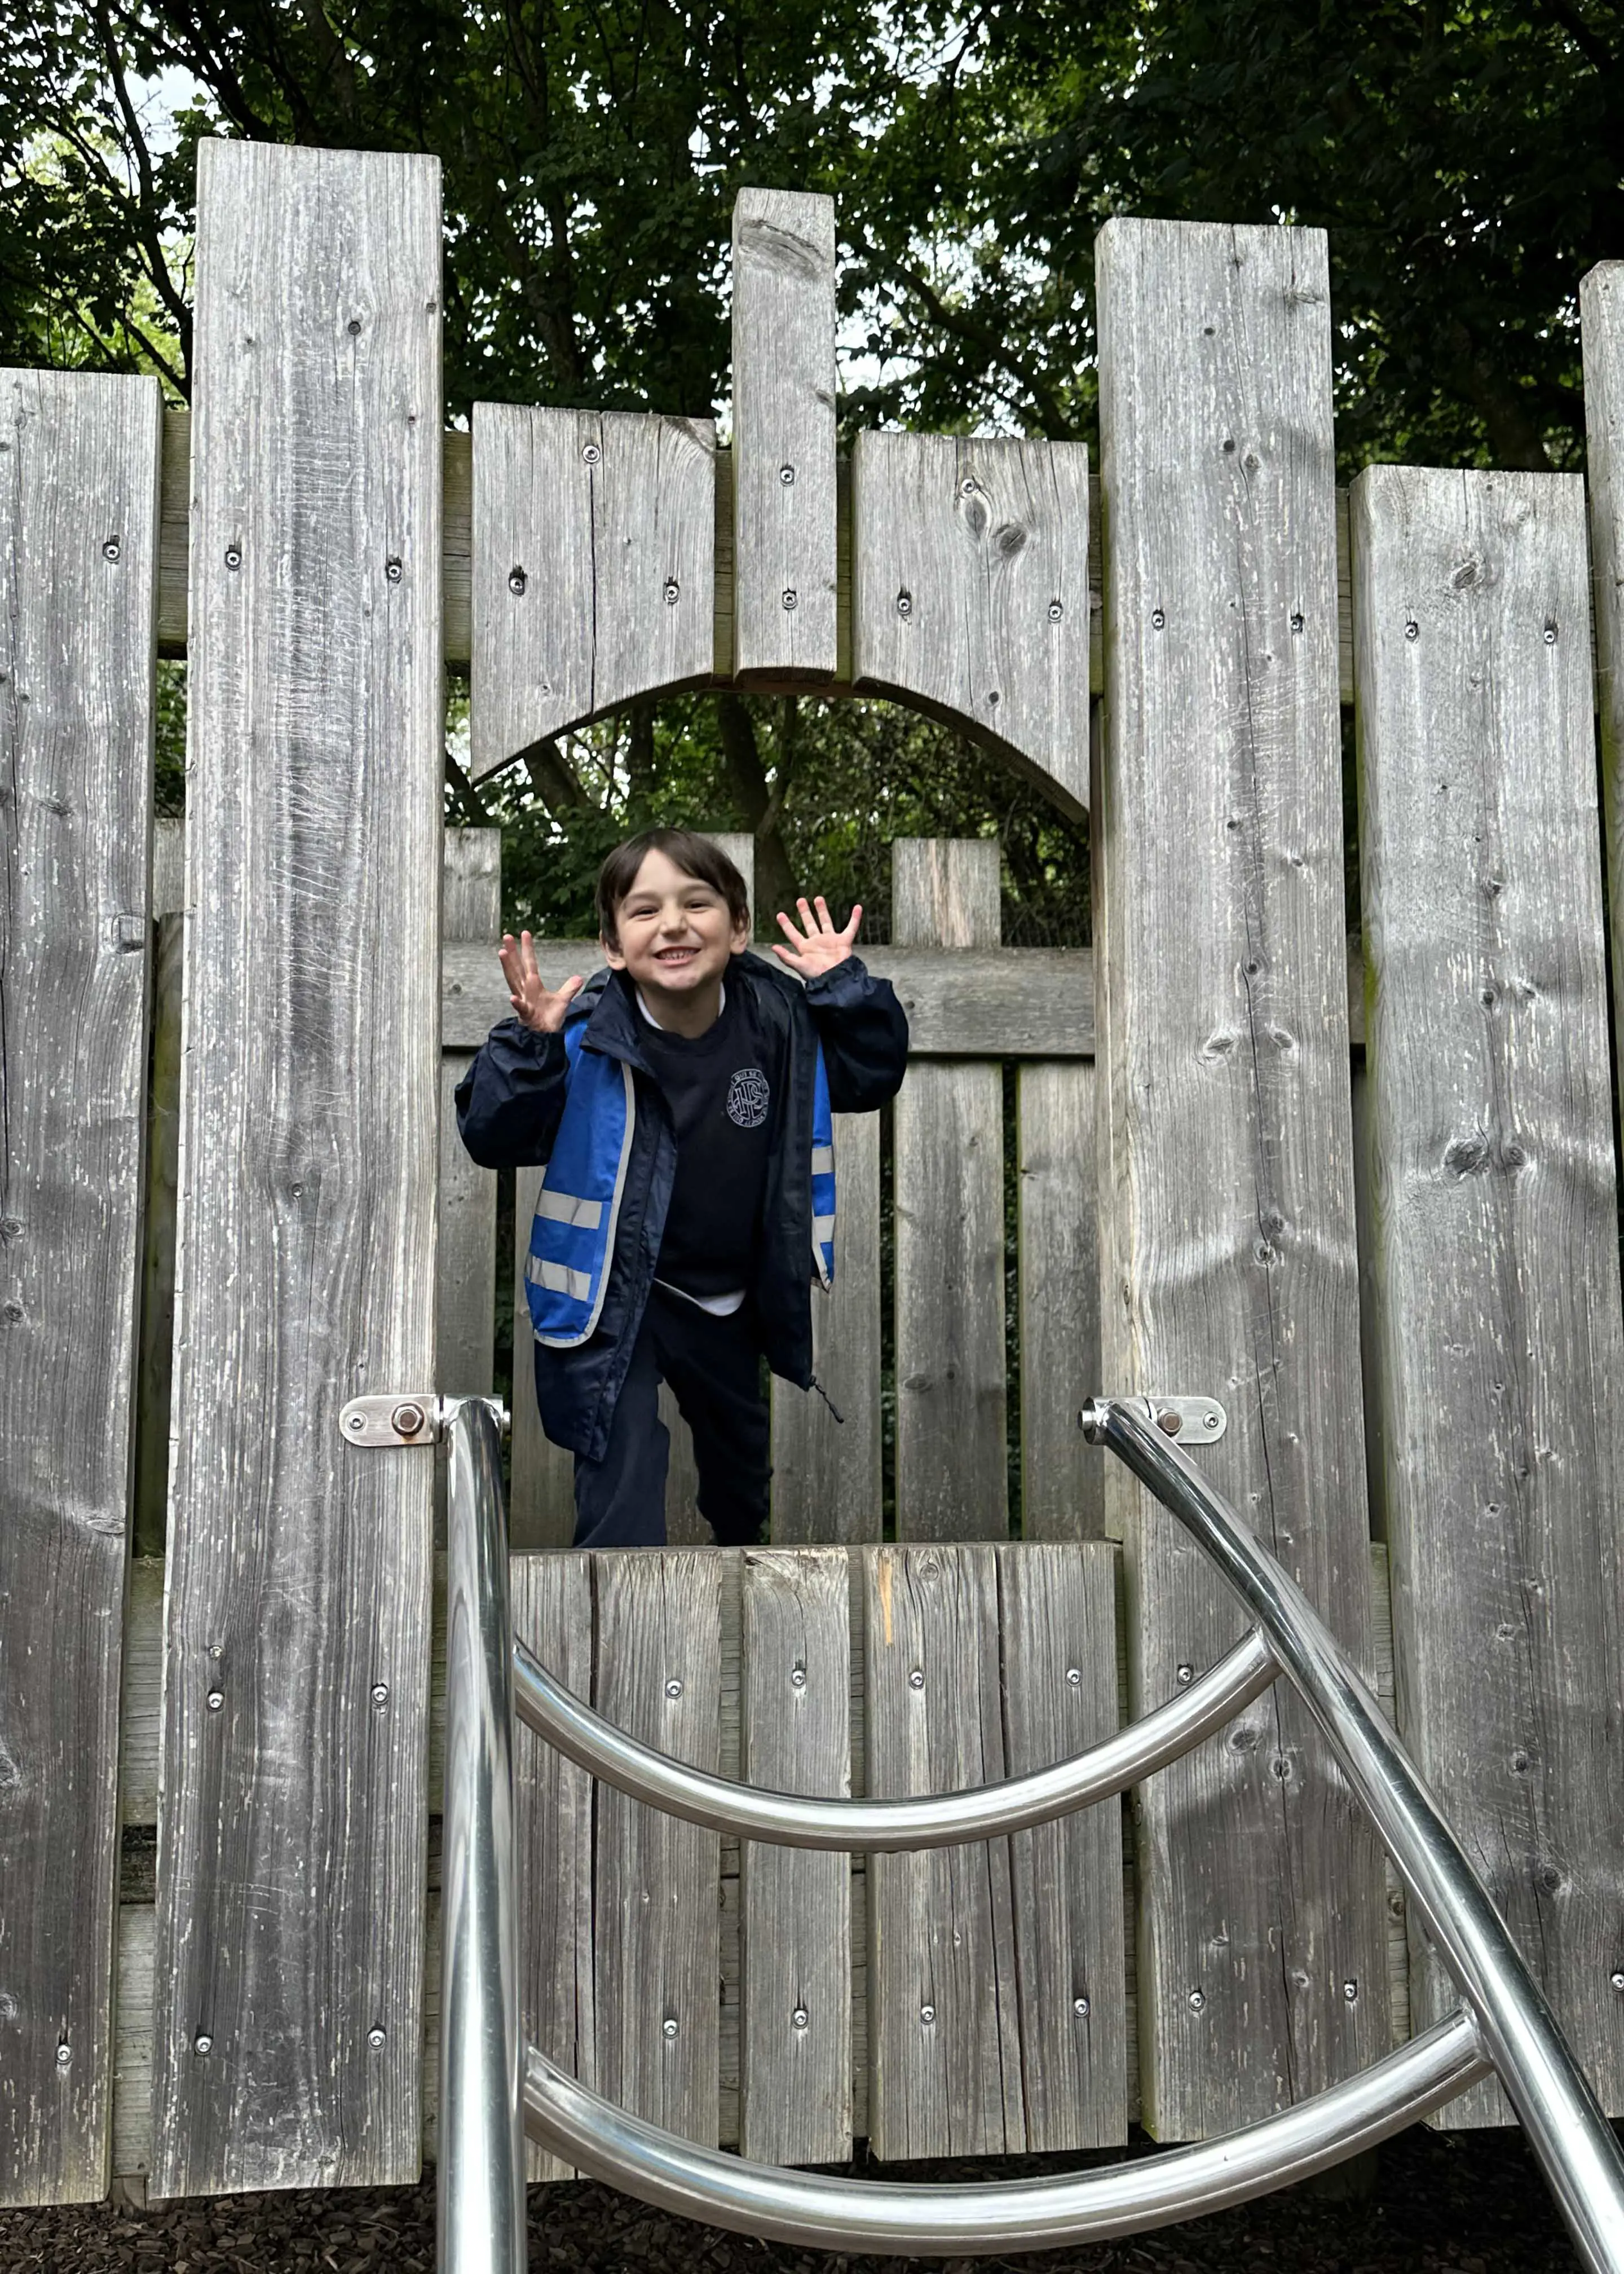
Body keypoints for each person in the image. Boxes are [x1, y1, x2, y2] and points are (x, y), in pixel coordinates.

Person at [454, 827, 910, 1548]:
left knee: (739, 1478)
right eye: (644, 911)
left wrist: (846, 990)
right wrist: (531, 1050)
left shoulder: (782, 1025)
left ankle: (739, 1595)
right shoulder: (578, 1036)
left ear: (738, 929)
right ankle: (618, 1620)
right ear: (612, 947)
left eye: (696, 904)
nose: (672, 924)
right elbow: (493, 1137)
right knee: (623, 1464)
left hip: (727, 1298)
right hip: (616, 1298)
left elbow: (871, 1075)